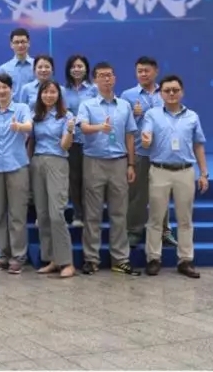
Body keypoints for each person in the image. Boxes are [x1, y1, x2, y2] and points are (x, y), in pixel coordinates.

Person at [141, 74, 209, 279]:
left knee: (185, 219)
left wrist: (204, 173)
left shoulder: (192, 117)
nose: (171, 93)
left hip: (185, 172)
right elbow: (146, 136)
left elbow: (198, 145)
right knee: (155, 218)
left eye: (175, 90)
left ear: (182, 92)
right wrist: (146, 141)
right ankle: (153, 258)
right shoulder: (152, 115)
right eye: (167, 90)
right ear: (160, 93)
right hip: (159, 170)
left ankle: (185, 260)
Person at [77, 62, 140, 276]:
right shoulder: (87, 105)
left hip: (119, 162)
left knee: (119, 213)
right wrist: (100, 128)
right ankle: (91, 259)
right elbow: (83, 127)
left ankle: (120, 259)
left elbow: (130, 135)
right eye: (102, 75)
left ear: (115, 79)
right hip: (94, 162)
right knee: (92, 213)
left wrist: (131, 164)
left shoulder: (124, 106)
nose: (106, 79)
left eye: (109, 75)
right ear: (94, 80)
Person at [0, 73, 33, 274]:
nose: (1, 91)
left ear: (12, 89)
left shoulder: (21, 108)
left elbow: (29, 126)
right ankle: (2, 256)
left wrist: (19, 126)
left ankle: (18, 257)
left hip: (17, 166)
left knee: (17, 214)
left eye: (5, 87)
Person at [121, 56, 176, 249]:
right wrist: (134, 115)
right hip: (139, 152)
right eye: (139, 71)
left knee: (162, 194)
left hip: (163, 152)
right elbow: (122, 125)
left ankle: (164, 232)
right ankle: (133, 231)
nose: (143, 74)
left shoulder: (166, 93)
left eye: (147, 70)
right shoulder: (128, 95)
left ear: (156, 71)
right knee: (137, 195)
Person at [29, 80, 77, 278]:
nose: (49, 95)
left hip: (57, 162)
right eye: (45, 92)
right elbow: (31, 142)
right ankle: (52, 259)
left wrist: (71, 130)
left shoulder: (66, 116)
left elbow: (65, 145)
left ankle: (67, 262)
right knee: (42, 214)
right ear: (40, 95)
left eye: (53, 92)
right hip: (37, 162)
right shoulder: (35, 116)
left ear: (59, 95)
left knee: (56, 213)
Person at [61, 54, 96, 228]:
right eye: (73, 66)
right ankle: (78, 214)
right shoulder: (62, 90)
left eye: (80, 66)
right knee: (74, 178)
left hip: (91, 140)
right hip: (72, 140)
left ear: (86, 69)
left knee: (90, 179)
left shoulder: (94, 89)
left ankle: (91, 214)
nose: (77, 69)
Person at [0, 28, 34, 93]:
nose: (20, 45)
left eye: (23, 42)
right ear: (11, 45)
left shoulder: (37, 66)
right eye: (16, 42)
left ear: (28, 43)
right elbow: (0, 92)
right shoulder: (4, 69)